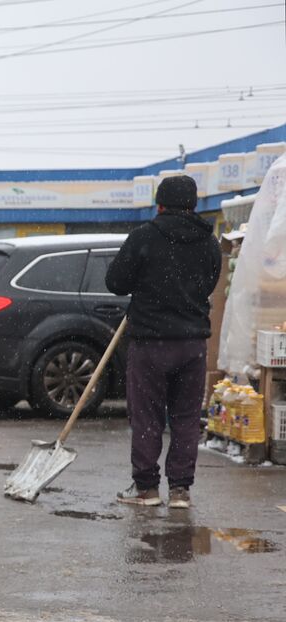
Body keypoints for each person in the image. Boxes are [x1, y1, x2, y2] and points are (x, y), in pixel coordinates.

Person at [106, 174, 221, 509]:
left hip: (151, 342)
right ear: (194, 204)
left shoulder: (145, 237)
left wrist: (147, 284)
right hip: (192, 343)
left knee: (147, 416)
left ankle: (146, 488)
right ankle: (181, 490)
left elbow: (116, 282)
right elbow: (210, 281)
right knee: (185, 417)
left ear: (159, 203)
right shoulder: (207, 241)